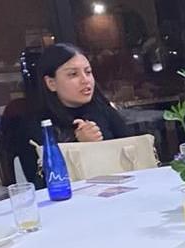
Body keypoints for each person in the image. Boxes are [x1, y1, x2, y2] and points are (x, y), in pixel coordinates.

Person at [17, 44, 133, 189]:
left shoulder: (103, 110)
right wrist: (81, 146)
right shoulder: (37, 125)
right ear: (51, 83)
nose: (85, 80)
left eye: (88, 72)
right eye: (73, 74)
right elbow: (39, 183)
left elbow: (132, 151)